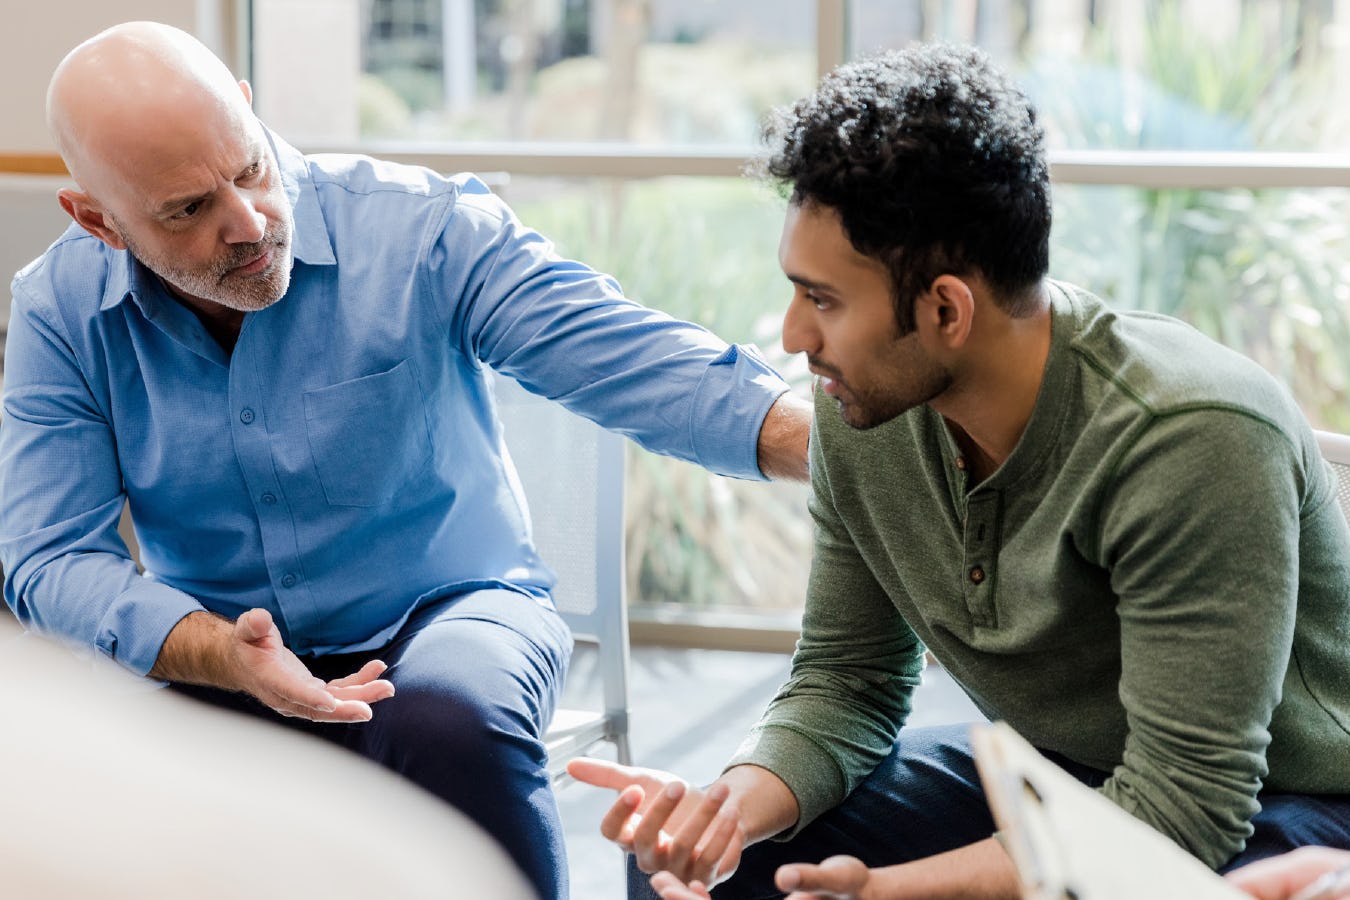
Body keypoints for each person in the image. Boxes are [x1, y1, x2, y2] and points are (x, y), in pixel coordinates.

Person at [0, 21, 810, 900]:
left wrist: (844, 444)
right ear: (97, 221)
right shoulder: (61, 311)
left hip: (455, 610)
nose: (247, 225)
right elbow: (49, 556)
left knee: (447, 722)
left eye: (249, 170)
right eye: (188, 211)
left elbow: (626, 358)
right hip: (225, 641)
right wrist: (215, 652)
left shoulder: (421, 228)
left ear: (246, 107)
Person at [571, 43, 1350, 899]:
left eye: (822, 299)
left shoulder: (1189, 438)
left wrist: (889, 890)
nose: (793, 337)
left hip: (1285, 807)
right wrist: (727, 807)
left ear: (946, 308)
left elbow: (1184, 809)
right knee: (707, 871)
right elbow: (848, 681)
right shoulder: (865, 411)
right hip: (1055, 772)